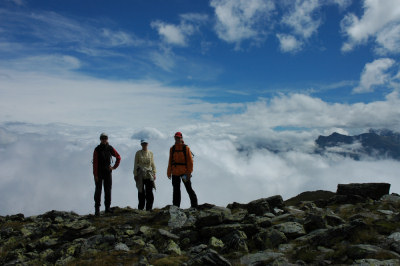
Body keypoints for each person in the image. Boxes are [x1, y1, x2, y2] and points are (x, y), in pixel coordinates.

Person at [92, 133, 121, 216]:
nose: (104, 139)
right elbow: (95, 163)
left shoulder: (110, 148)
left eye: (105, 138)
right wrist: (95, 175)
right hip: (99, 173)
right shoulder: (97, 149)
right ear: (100, 139)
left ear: (107, 139)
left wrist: (114, 167)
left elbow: (118, 157)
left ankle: (107, 208)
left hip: (107, 172)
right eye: (102, 138)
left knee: (108, 190)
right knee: (98, 191)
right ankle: (97, 210)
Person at [167, 132, 198, 208]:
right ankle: (176, 207)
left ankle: (194, 206)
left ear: (181, 138)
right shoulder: (172, 148)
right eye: (176, 137)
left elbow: (190, 161)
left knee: (189, 189)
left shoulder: (186, 148)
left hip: (184, 172)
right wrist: (169, 172)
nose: (177, 139)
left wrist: (189, 172)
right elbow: (170, 161)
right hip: (175, 172)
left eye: (178, 137)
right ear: (174, 138)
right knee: (176, 190)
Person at [133, 139, 156, 211]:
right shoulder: (138, 153)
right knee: (141, 191)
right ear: (141, 144)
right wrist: (135, 174)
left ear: (147, 144)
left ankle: (149, 208)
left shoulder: (151, 153)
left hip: (149, 174)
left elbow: (152, 163)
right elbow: (135, 164)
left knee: (149, 192)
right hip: (140, 174)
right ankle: (141, 208)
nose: (144, 145)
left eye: (145, 143)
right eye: (143, 144)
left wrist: (154, 173)